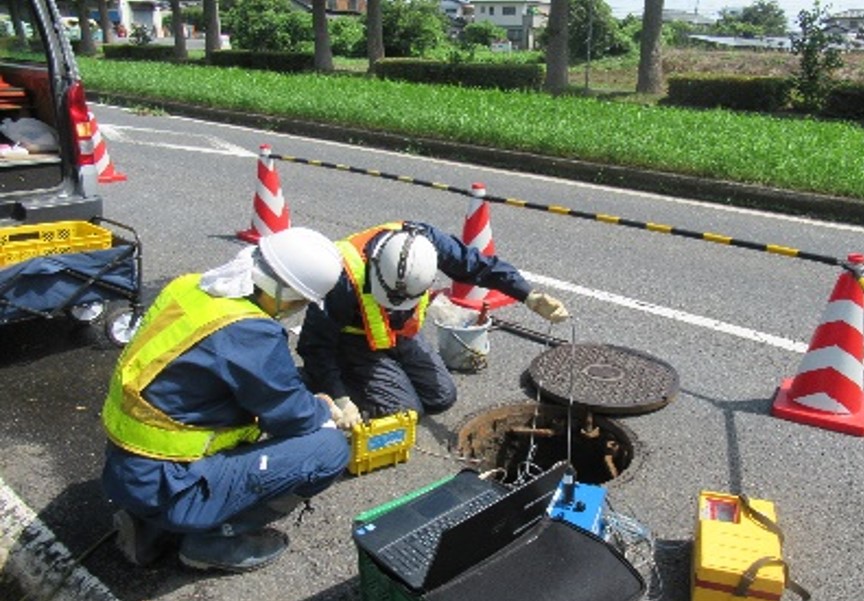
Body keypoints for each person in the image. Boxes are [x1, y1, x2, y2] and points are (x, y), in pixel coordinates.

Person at [101, 227, 355, 574]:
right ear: (281, 292)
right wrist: (323, 409)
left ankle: (151, 527)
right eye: (299, 302)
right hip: (169, 486)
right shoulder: (249, 332)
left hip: (126, 468)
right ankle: (212, 539)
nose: (296, 310)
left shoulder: (189, 286)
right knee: (329, 449)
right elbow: (293, 417)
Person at [297, 220, 569, 420]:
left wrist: (528, 295)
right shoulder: (341, 276)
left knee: (441, 398)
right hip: (355, 341)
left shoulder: (426, 243)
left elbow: (478, 265)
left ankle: (379, 375)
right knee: (405, 411)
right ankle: (313, 384)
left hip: (401, 332)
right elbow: (315, 344)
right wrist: (340, 398)